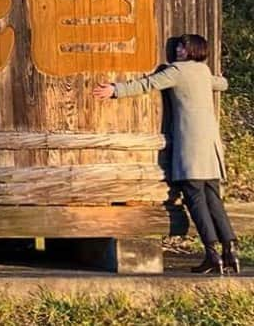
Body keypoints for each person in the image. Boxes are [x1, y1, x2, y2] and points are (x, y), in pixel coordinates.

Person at [94, 33, 239, 275]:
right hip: (210, 144)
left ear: (194, 50)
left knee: (196, 199)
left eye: (184, 47)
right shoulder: (203, 72)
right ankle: (230, 249)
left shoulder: (177, 71)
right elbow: (222, 84)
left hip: (191, 144)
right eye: (180, 46)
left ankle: (213, 255)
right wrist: (221, 78)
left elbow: (147, 83)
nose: (179, 50)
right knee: (213, 198)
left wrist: (115, 90)